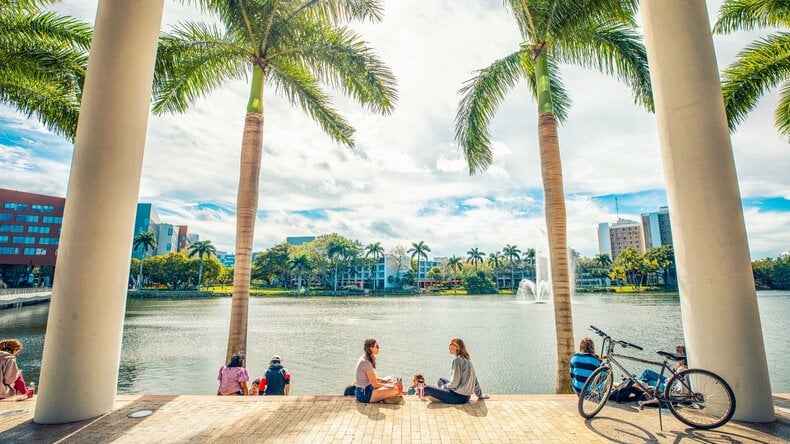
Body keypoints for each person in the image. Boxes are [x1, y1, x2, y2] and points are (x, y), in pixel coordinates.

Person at [422, 337, 488, 404]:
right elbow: (475, 381)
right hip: (466, 397)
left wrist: (443, 387)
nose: (449, 347)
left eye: (451, 345)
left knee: (426, 388)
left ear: (457, 347)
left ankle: (441, 395)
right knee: (441, 380)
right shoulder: (468, 360)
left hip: (457, 397)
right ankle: (442, 393)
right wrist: (480, 395)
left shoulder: (457, 361)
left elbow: (454, 383)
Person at [354, 338, 402, 403]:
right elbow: (375, 385)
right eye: (377, 346)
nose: (378, 348)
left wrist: (385, 381)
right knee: (395, 389)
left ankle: (383, 397)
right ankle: (384, 398)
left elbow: (373, 379)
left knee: (389, 378)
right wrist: (388, 385)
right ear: (371, 348)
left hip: (364, 389)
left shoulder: (365, 358)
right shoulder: (366, 363)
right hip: (364, 395)